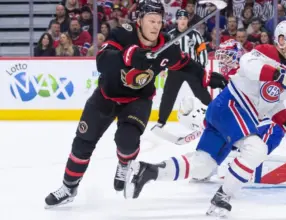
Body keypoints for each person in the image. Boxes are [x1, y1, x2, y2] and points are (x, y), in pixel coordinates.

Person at [44, 0, 224, 208]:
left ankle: (124, 164)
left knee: (127, 140)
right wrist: (130, 55)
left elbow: (186, 65)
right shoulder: (124, 34)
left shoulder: (166, 46)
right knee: (82, 143)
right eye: (151, 21)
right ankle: (69, 187)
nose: (156, 26)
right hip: (106, 96)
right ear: (139, 21)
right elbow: (102, 60)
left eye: (159, 21)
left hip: (138, 100)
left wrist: (207, 77)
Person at [126, 20, 286, 217]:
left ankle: (146, 171)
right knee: (257, 148)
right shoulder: (267, 52)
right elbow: (248, 66)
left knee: (202, 167)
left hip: (229, 113)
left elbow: (273, 104)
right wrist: (279, 74)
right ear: (281, 39)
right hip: (231, 105)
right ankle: (222, 199)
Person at [153, 9, 211, 131]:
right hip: (175, 69)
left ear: (187, 20)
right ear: (177, 20)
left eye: (185, 19)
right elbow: (164, 52)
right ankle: (161, 121)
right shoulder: (171, 35)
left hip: (192, 69)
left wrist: (201, 68)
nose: (183, 21)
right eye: (181, 19)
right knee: (168, 95)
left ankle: (213, 117)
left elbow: (202, 52)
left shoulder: (195, 34)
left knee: (202, 94)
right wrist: (162, 68)